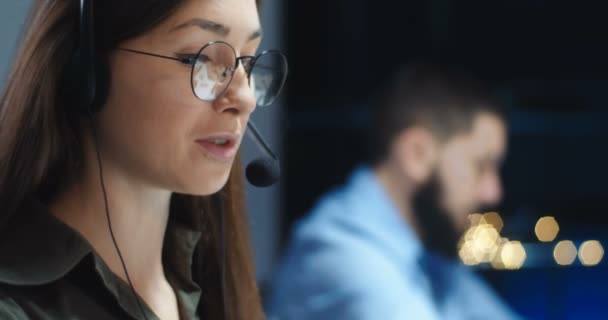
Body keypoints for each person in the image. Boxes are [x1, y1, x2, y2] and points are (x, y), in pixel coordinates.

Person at [0, 0, 287, 319]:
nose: (245, 99)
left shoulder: (213, 294)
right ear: (87, 73)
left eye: (247, 62)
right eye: (198, 58)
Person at [267, 63, 521, 319]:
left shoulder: (425, 255)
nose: (493, 192)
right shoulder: (344, 255)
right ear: (416, 155)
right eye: (481, 166)